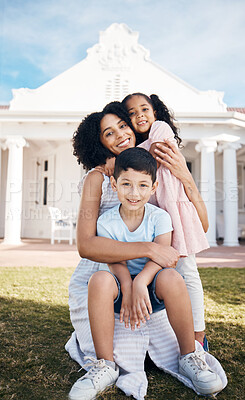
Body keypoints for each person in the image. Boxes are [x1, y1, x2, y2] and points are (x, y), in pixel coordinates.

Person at [66, 102, 226, 400]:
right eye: (108, 133)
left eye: (123, 126)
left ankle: (191, 353)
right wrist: (148, 249)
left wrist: (184, 175)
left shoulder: (152, 172)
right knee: (105, 288)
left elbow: (195, 225)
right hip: (107, 269)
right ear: (98, 142)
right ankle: (105, 364)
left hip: (149, 268)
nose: (120, 135)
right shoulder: (97, 178)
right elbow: (86, 245)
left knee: (174, 281)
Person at [121, 93, 210, 348]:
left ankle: (198, 337)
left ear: (155, 112)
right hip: (151, 218)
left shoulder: (160, 131)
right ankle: (164, 337)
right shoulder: (132, 149)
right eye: (132, 113)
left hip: (175, 215)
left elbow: (150, 156)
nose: (140, 115)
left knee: (186, 272)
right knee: (160, 276)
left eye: (145, 109)